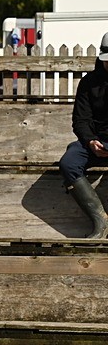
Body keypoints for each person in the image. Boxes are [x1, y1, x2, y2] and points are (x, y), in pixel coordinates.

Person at [59, 32, 108, 237]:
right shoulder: (88, 82)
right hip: (95, 141)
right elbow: (80, 119)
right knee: (69, 162)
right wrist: (90, 141)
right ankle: (101, 222)